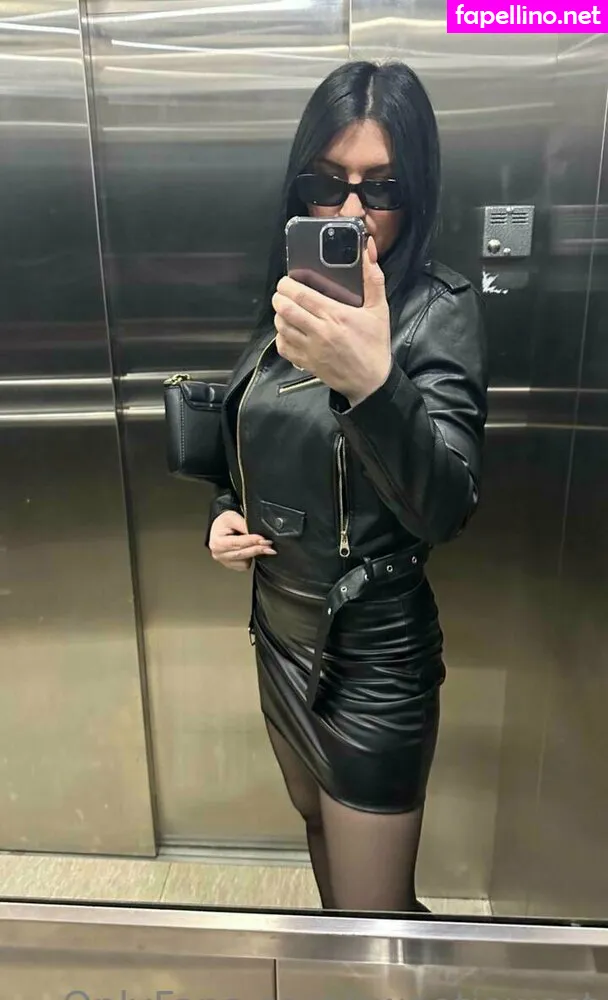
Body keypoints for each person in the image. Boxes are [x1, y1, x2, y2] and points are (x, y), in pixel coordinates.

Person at [206, 60, 488, 913]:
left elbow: (445, 506)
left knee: (374, 916)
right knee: (323, 846)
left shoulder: (439, 310)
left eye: (382, 186)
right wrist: (226, 511)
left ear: (419, 189)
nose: (352, 213)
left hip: (371, 656)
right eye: (326, 185)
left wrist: (372, 382)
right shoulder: (291, 300)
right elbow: (257, 438)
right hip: (279, 631)